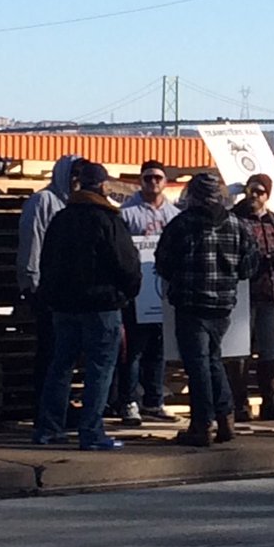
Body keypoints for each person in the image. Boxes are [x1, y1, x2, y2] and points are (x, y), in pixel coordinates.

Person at [33, 163, 141, 450]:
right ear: (103, 186)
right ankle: (91, 432)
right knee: (100, 369)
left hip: (64, 306)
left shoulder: (61, 218)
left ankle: (48, 427)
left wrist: (51, 297)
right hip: (102, 305)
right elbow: (127, 264)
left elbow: (47, 262)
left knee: (60, 366)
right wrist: (128, 293)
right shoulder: (108, 219)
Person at [155, 172, 259, 447]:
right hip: (223, 306)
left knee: (198, 364)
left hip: (190, 304)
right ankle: (226, 419)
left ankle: (202, 425)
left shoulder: (182, 224)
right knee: (212, 360)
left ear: (193, 195)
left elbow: (163, 263)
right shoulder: (237, 225)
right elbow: (250, 267)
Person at [226, 173, 274, 421]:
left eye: (259, 192)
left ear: (267, 195)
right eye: (251, 190)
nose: (254, 196)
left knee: (269, 350)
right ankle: (238, 403)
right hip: (243, 294)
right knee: (239, 351)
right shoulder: (234, 218)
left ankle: (271, 401)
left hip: (269, 294)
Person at [16, 155, 85, 415]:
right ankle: (45, 409)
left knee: (66, 354)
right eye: (74, 174)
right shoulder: (43, 201)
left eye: (81, 175)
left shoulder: (75, 205)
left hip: (71, 291)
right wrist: (30, 283)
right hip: (46, 289)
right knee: (50, 352)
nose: (77, 180)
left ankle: (61, 406)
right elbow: (31, 241)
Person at [118, 159, 181, 425]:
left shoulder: (174, 215)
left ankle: (154, 400)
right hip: (137, 292)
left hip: (163, 290)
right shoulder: (127, 213)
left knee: (159, 347)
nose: (153, 182)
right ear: (140, 181)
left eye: (157, 178)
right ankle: (129, 401)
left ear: (165, 182)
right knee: (134, 349)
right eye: (148, 178)